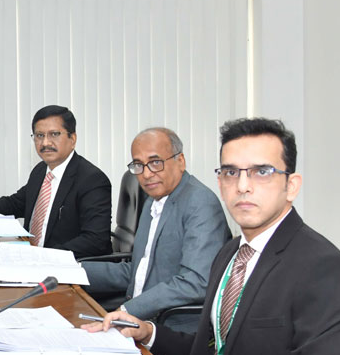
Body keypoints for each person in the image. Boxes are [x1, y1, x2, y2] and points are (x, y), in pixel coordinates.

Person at [84, 118, 340, 355]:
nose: (242, 186)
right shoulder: (230, 253)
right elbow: (215, 352)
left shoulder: (321, 266)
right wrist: (148, 333)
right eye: (230, 172)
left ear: (291, 185)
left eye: (261, 172)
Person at [82, 128, 230, 320]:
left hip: (171, 324)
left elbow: (196, 282)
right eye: (138, 165)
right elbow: (139, 271)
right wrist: (73, 270)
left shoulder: (200, 203)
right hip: (140, 314)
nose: (146, 174)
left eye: (155, 163)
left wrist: (128, 310)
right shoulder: (154, 200)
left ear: (180, 161)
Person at [0, 105, 111, 258]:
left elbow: (96, 240)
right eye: (39, 135)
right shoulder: (41, 170)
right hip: (31, 257)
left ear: (72, 139)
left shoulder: (92, 180)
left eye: (54, 134)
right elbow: (15, 204)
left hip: (64, 265)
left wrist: (42, 255)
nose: (45, 143)